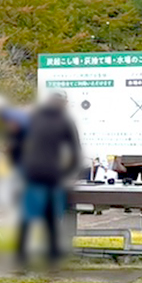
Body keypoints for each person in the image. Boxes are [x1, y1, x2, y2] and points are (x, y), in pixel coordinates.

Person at [16, 90, 81, 267]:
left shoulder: (32, 119)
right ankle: (52, 254)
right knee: (51, 214)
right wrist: (67, 172)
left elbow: (16, 145)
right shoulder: (65, 122)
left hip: (31, 171)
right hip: (52, 172)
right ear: (64, 103)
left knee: (28, 213)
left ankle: (21, 253)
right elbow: (75, 151)